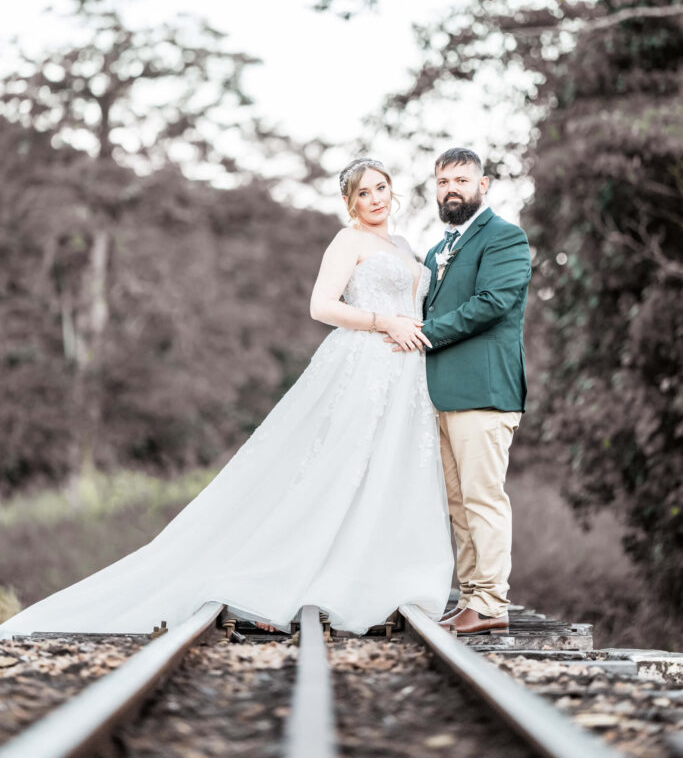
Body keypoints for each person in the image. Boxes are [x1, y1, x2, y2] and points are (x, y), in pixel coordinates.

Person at [0, 159, 453, 639]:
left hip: (407, 376)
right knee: (341, 468)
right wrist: (387, 323)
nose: (376, 199)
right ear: (350, 203)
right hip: (365, 364)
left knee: (391, 471)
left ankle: (380, 577)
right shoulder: (348, 241)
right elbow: (321, 306)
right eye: (364, 193)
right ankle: (293, 571)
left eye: (382, 188)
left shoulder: (403, 246)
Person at [416, 148, 531, 635]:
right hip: (441, 394)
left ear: (482, 185)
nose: (451, 189)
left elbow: (492, 303)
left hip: (485, 392)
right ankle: (472, 598)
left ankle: (491, 603)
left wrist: (424, 332)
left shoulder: (505, 238)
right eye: (442, 181)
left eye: (461, 180)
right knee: (457, 505)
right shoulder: (436, 249)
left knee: (483, 500)